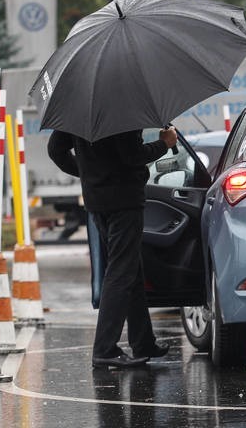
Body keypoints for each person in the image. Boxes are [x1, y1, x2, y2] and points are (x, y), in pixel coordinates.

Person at [48, 127, 178, 368]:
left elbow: (55, 150)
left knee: (131, 272)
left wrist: (90, 174)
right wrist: (164, 144)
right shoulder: (122, 111)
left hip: (97, 201)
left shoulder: (78, 107)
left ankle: (143, 342)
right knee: (120, 273)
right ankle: (105, 349)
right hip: (124, 201)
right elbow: (132, 156)